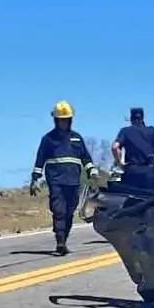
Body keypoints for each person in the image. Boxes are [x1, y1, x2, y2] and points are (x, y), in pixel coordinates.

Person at [29, 101, 98, 255]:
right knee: (59, 210)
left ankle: (64, 240)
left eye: (67, 119)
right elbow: (40, 160)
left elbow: (85, 158)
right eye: (62, 120)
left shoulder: (77, 138)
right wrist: (35, 179)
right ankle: (60, 241)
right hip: (56, 180)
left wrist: (92, 172)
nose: (64, 122)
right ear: (56, 120)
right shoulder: (48, 139)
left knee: (69, 211)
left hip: (73, 180)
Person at [111, 107, 154, 191]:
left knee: (129, 200)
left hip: (131, 171)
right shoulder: (152, 130)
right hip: (149, 171)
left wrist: (120, 164)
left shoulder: (125, 131)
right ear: (143, 118)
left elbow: (115, 147)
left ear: (131, 119)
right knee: (148, 201)